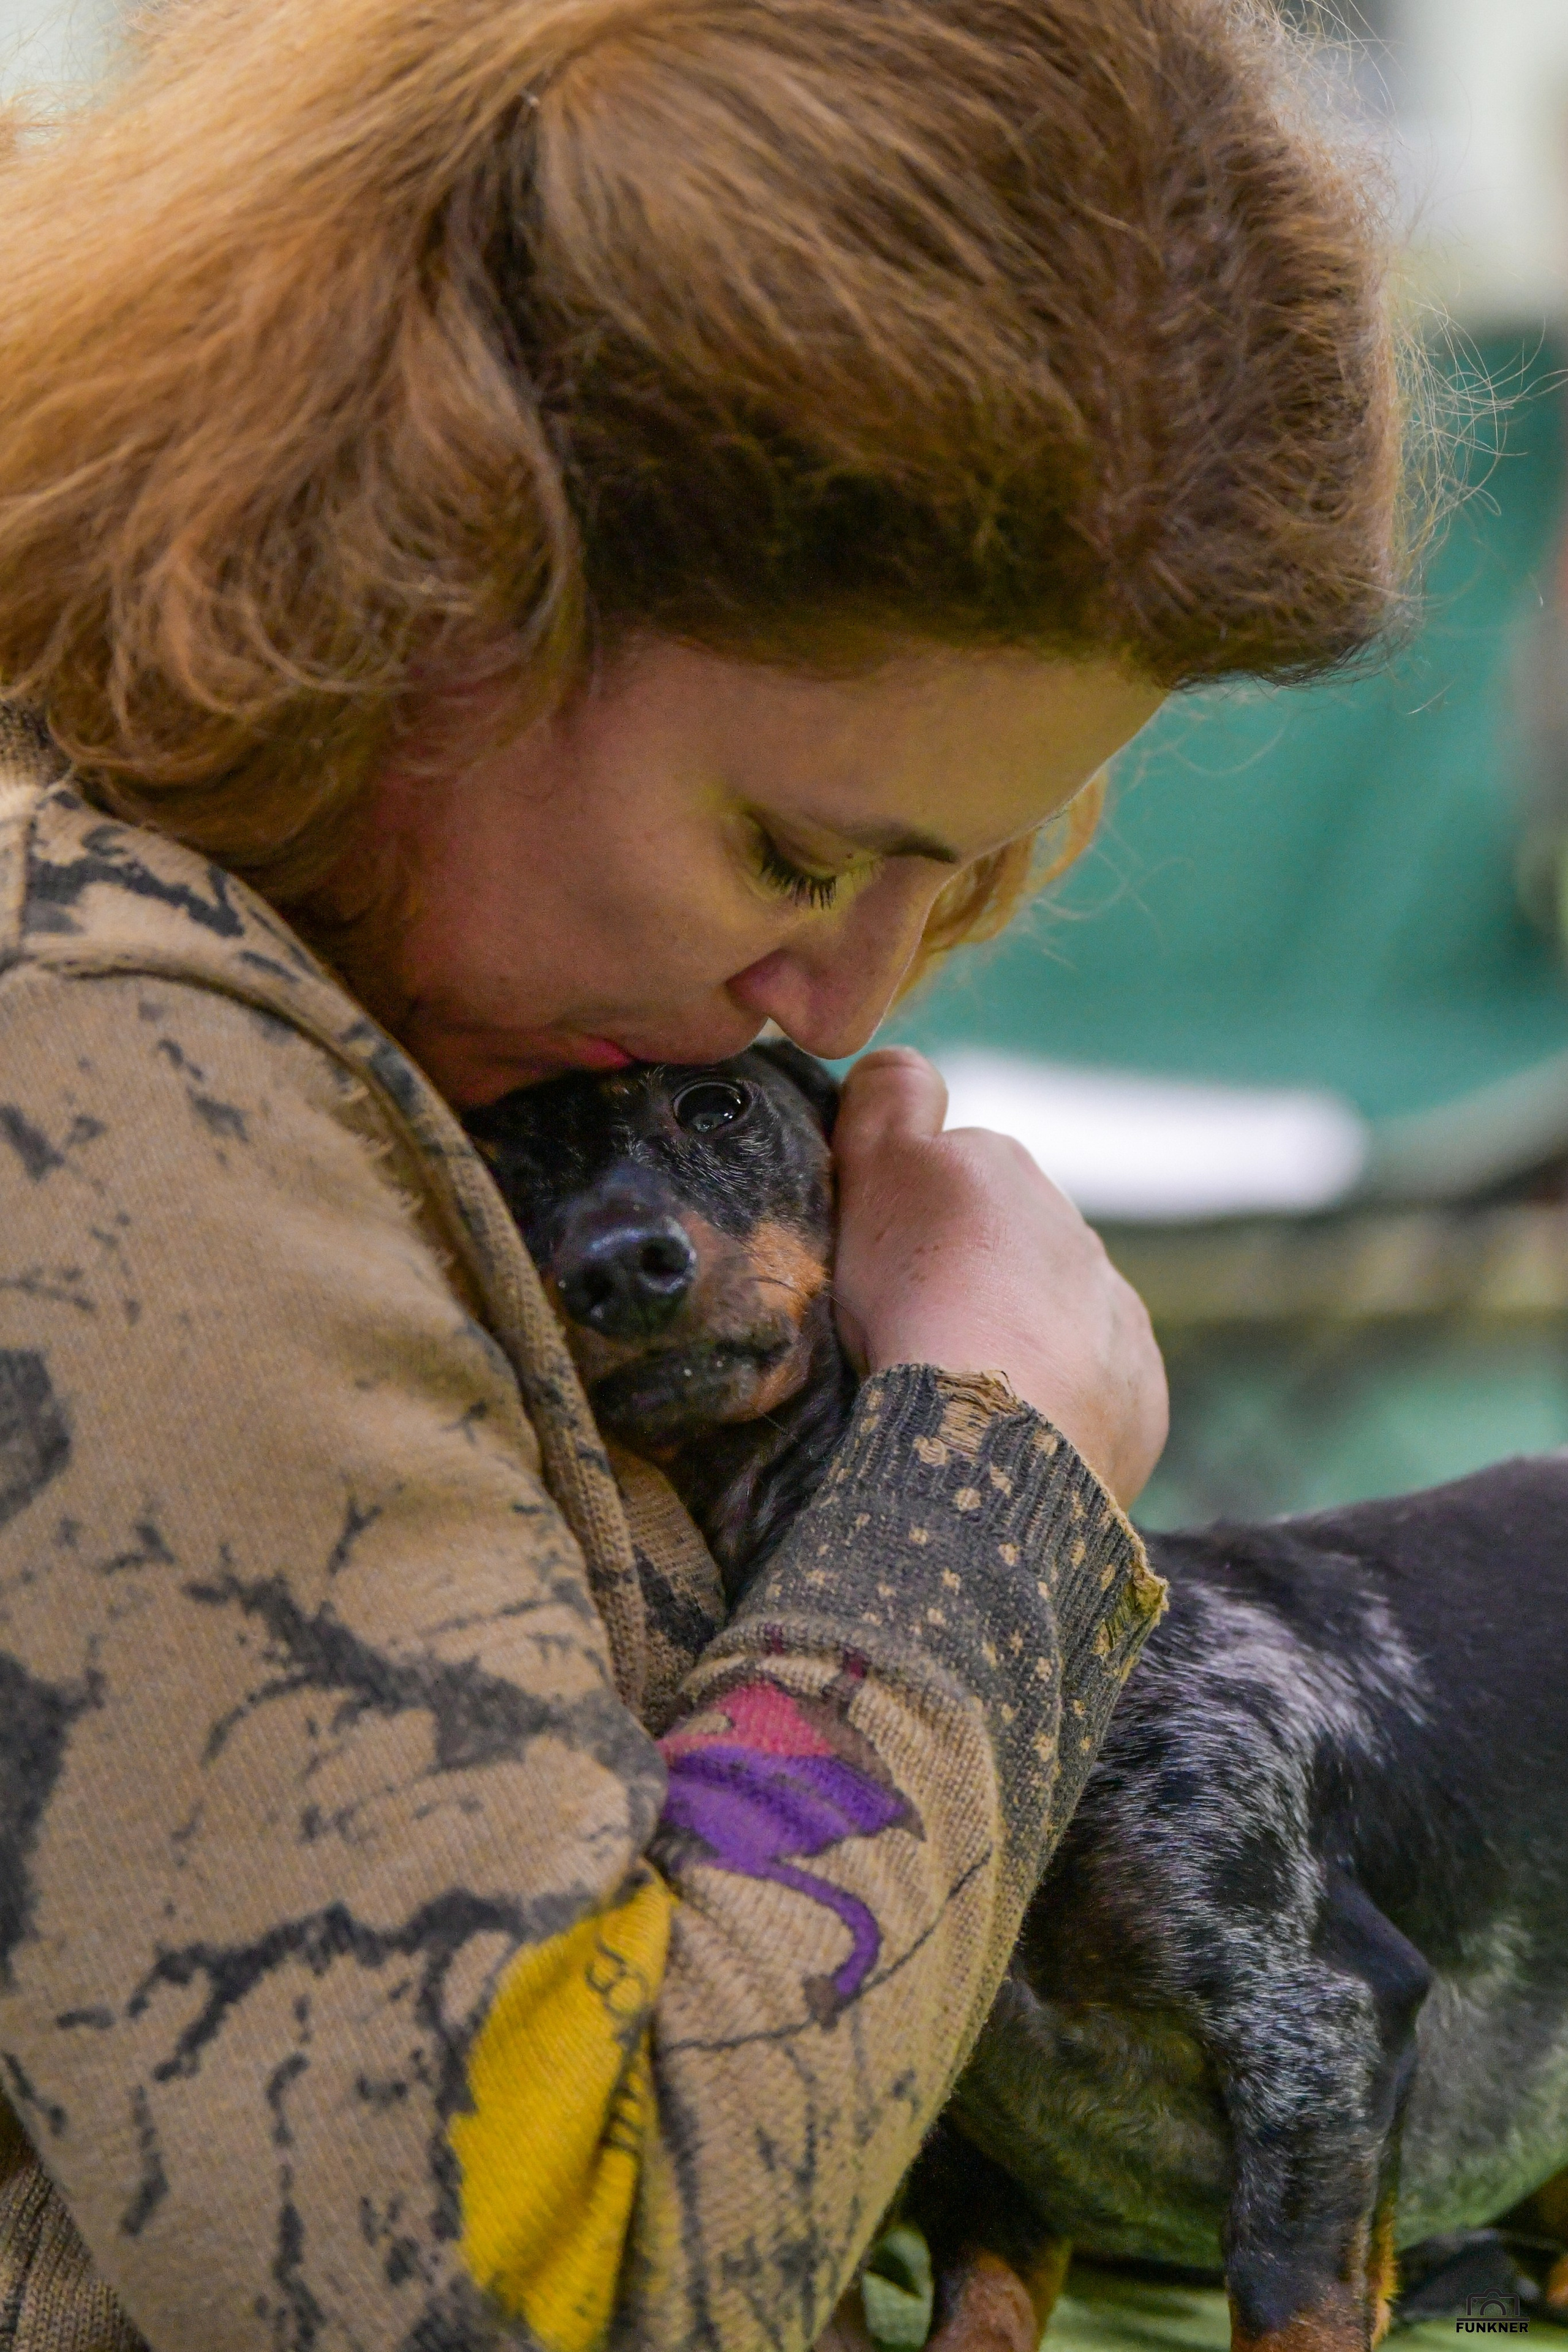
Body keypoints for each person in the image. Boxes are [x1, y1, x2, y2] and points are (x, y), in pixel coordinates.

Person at [0, 0, 1408, 2345]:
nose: (843, 998)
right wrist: (1000, 1471)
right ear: (433, 563)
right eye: (785, 844)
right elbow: (542, 2284)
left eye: (945, 870)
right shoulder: (105, 1054)